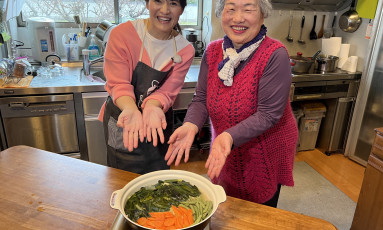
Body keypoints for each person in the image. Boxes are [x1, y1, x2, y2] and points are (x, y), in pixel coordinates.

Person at [165, 0, 298, 207]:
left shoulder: (275, 54)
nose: (238, 18)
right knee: (227, 206)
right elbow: (201, 98)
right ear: (221, 14)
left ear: (262, 14)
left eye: (248, 9)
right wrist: (190, 124)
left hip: (265, 147)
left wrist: (228, 136)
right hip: (225, 143)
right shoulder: (213, 51)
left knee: (257, 213)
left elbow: (268, 114)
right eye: (231, 8)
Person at [99, 0, 195, 174]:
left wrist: (152, 105)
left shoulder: (184, 50)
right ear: (147, 3)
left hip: (156, 122)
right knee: (122, 179)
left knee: (158, 178)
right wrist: (130, 108)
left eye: (173, 3)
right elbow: (118, 83)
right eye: (158, 1)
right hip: (123, 120)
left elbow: (167, 91)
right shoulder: (122, 34)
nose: (165, 10)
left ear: (182, 9)